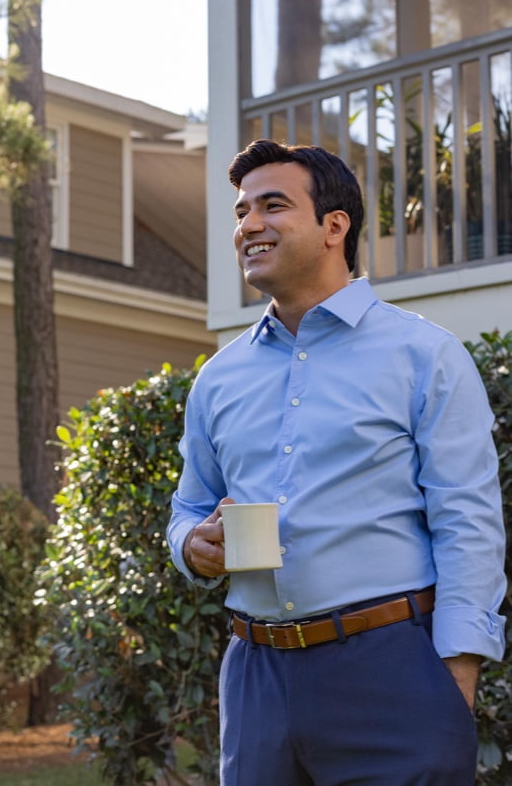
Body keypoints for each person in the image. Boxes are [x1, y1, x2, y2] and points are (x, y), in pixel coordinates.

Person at [167, 139, 506, 784]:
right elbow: (188, 506)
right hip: (255, 674)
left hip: (392, 669)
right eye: (241, 212)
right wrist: (193, 544)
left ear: (334, 226)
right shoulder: (218, 378)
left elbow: (468, 522)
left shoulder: (423, 355)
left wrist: (453, 678)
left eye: (273, 205)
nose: (249, 226)